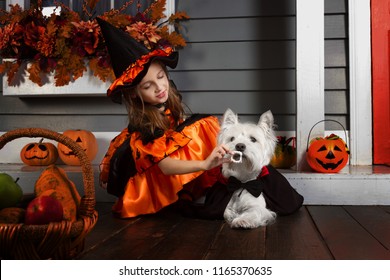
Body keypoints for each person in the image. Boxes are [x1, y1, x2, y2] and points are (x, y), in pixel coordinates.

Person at [97, 18, 231, 218]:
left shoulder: (167, 98)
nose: (159, 88)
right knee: (199, 128)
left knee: (202, 126)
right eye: (147, 86)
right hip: (153, 175)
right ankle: (175, 194)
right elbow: (166, 166)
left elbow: (179, 136)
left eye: (160, 77)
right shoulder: (145, 125)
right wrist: (204, 165)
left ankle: (213, 182)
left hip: (167, 156)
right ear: (134, 93)